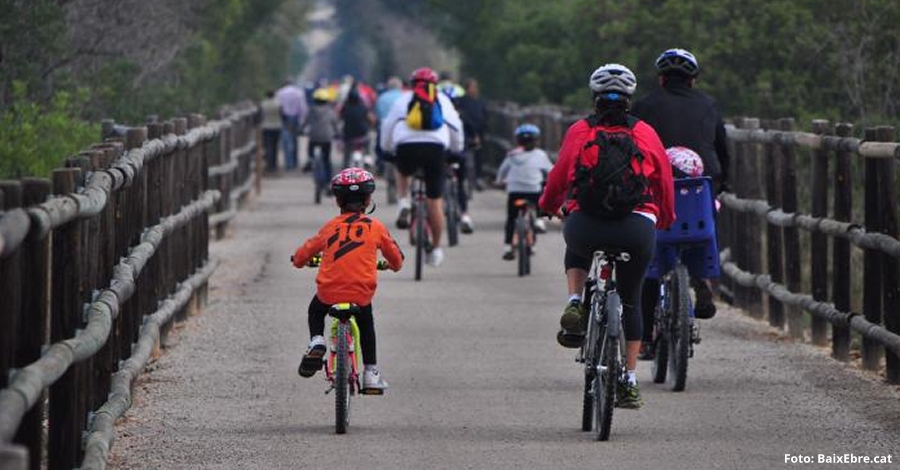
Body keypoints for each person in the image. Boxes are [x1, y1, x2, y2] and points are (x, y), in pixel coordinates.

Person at [539, 63, 675, 409]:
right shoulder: (645, 132)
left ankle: (574, 303)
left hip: (587, 224)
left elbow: (559, 177)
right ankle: (629, 380)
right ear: (630, 99)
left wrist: (548, 205)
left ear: (594, 98)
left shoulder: (580, 130)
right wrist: (664, 218)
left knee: (577, 243)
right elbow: (664, 181)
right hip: (636, 226)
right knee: (630, 300)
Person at [631, 48, 729, 338]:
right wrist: (725, 184)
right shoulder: (709, 104)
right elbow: (722, 148)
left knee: (651, 259)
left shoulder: (644, 105)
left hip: (653, 188)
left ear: (661, 79)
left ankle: (647, 337)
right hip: (702, 186)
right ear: (693, 80)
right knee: (702, 226)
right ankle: (702, 278)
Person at [292, 168, 404, 391]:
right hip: (361, 293)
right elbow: (397, 260)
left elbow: (302, 254)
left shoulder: (330, 227)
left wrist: (298, 260)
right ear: (368, 199)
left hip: (329, 292)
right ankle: (371, 372)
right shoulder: (376, 228)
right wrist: (392, 264)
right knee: (366, 324)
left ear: (337, 200)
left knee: (315, 310)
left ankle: (317, 341)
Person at [380, 67, 465, 267]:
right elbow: (456, 128)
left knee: (401, 168)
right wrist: (457, 150)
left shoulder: (402, 100)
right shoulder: (442, 100)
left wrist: (387, 149)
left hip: (406, 147)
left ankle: (403, 201)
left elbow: (387, 126)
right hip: (435, 150)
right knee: (434, 202)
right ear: (434, 84)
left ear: (411, 83)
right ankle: (435, 249)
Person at [495, 123, 553, 260]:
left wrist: (499, 181)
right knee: (540, 195)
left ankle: (508, 246)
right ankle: (539, 220)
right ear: (536, 140)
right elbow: (551, 171)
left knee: (511, 218)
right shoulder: (541, 155)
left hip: (515, 191)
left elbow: (502, 172)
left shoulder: (511, 155)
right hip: (533, 190)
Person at [299, 88, 340, 177]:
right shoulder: (330, 111)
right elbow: (335, 124)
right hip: (327, 138)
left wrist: (301, 130)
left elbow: (305, 123)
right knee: (327, 159)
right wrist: (337, 133)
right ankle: (329, 180)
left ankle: (311, 160)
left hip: (314, 137)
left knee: (310, 149)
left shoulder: (311, 110)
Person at [457, 78, 488, 190]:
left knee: (479, 155)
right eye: (471, 87)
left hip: (479, 132)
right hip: (465, 131)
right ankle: (463, 177)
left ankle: (479, 178)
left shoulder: (481, 101)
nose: (474, 89)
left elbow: (485, 117)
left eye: (475, 87)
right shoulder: (461, 101)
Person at [275, 80, 309, 171]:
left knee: (286, 141)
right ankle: (295, 161)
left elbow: (277, 106)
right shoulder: (298, 92)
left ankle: (288, 163)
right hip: (295, 118)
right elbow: (303, 108)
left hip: (284, 118)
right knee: (294, 140)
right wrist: (302, 121)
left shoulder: (280, 93)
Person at [339, 89, 374, 169]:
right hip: (362, 136)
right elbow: (371, 119)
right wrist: (371, 126)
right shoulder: (363, 107)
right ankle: (367, 161)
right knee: (368, 146)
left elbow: (339, 117)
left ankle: (345, 167)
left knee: (347, 154)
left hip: (348, 137)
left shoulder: (345, 108)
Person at [259, 90, 282, 172]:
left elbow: (260, 115)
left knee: (268, 146)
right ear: (274, 95)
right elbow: (282, 114)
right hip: (277, 127)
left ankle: (269, 164)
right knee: (275, 146)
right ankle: (274, 164)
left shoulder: (263, 104)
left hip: (266, 127)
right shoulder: (278, 104)